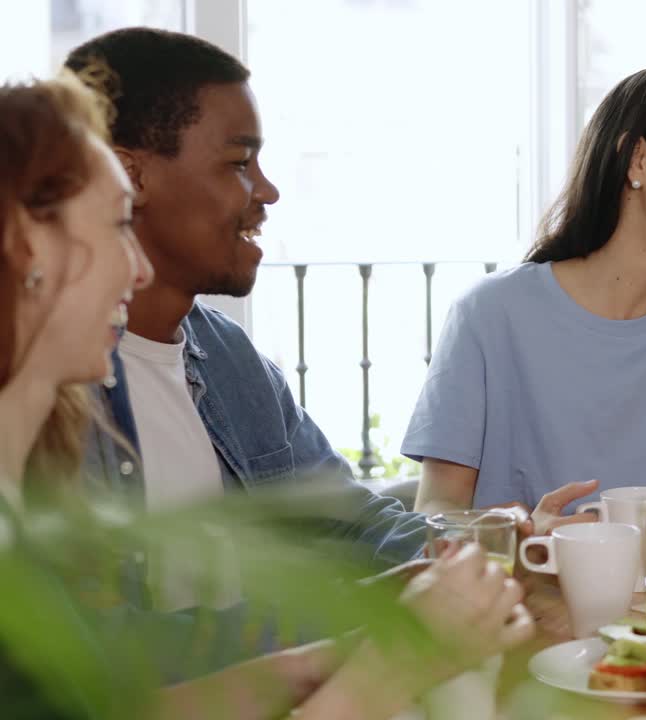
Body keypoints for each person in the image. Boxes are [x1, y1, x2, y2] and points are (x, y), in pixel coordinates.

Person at [0, 72, 533, 720]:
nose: (136, 266)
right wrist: (395, 659)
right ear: (27, 250)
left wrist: (342, 643)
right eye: (117, 226)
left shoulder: (230, 361)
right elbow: (121, 666)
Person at [61, 28, 427, 576]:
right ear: (131, 177)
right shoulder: (47, 386)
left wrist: (503, 541)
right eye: (239, 163)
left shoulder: (230, 356)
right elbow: (107, 646)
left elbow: (353, 524)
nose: (268, 191)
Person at [402, 68, 646, 549]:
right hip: (524, 611)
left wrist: (603, 536)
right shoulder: (488, 313)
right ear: (639, 158)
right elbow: (438, 512)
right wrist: (516, 535)